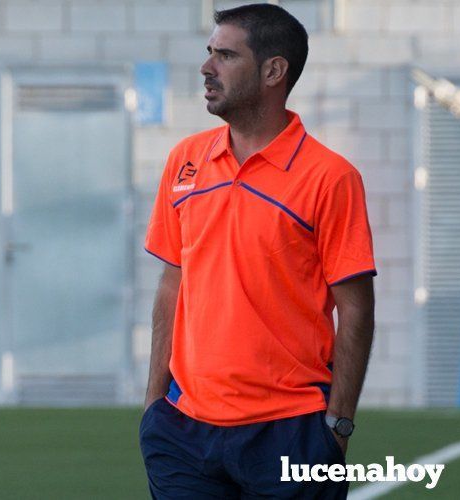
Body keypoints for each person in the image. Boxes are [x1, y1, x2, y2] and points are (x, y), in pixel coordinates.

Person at [139, 4, 376, 498]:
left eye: (225, 55)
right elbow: (172, 282)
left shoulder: (331, 178)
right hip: (183, 429)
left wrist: (338, 427)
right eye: (209, 53)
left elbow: (355, 310)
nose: (207, 68)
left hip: (291, 433)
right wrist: (153, 403)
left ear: (273, 71)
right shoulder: (184, 160)